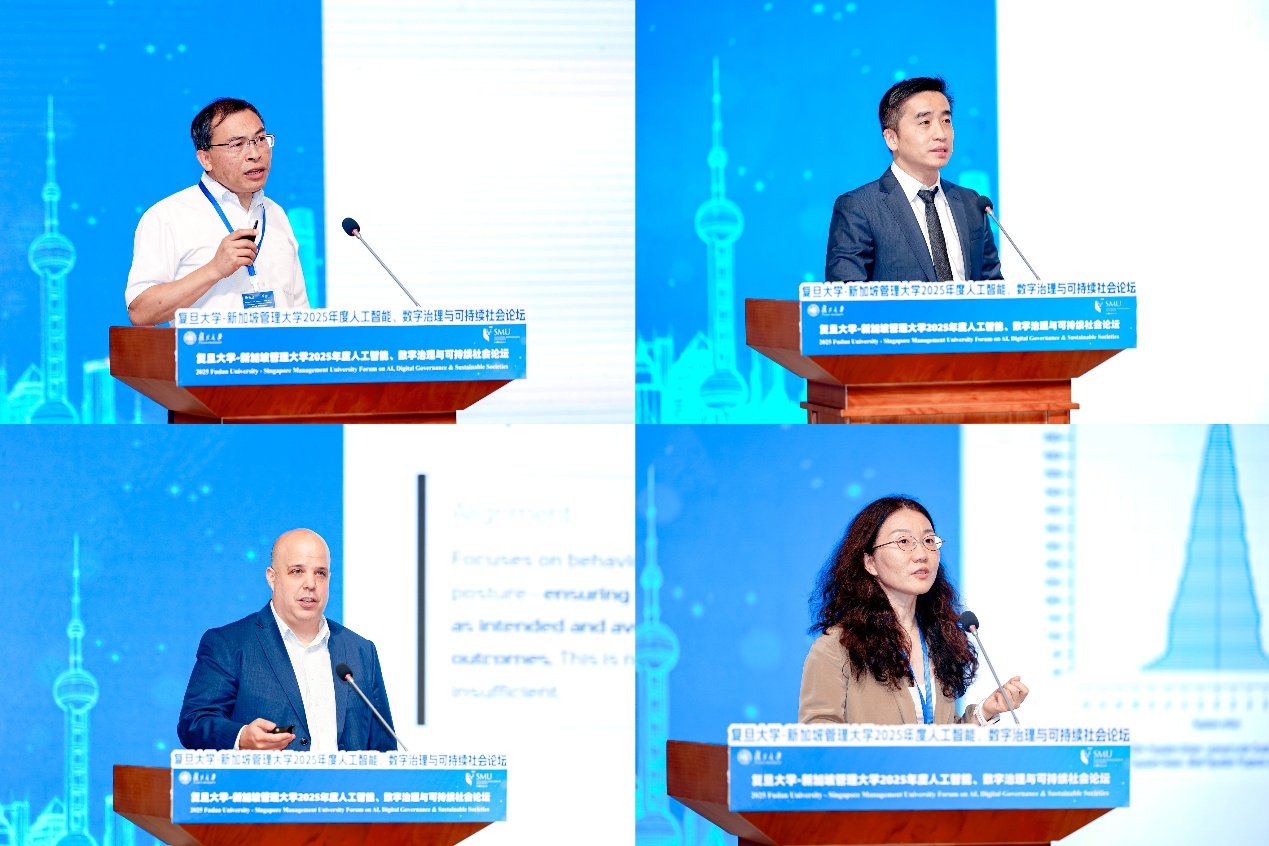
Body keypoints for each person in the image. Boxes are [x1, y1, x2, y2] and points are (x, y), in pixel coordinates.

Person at [799, 496, 1027, 724]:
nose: (921, 554)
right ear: (870, 562)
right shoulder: (837, 647)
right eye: (904, 541)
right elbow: (817, 733)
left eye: (928, 540)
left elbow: (941, 737)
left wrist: (985, 712)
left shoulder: (940, 640)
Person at [177, 528, 398, 751]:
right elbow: (194, 723)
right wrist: (241, 737)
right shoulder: (229, 644)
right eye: (297, 571)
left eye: (320, 573)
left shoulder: (360, 650)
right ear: (272, 578)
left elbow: (384, 750)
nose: (310, 583)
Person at [126, 97, 310, 326]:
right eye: (237, 144)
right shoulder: (168, 216)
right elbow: (141, 312)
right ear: (206, 159)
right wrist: (213, 270)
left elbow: (300, 311)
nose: (255, 153)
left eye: (260, 139)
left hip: (279, 349)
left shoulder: (276, 213)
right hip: (209, 349)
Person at [824, 77, 1002, 283]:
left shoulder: (971, 203)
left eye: (946, 121)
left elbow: (992, 287)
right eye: (925, 122)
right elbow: (846, 291)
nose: (940, 134)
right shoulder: (860, 207)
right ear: (892, 138)